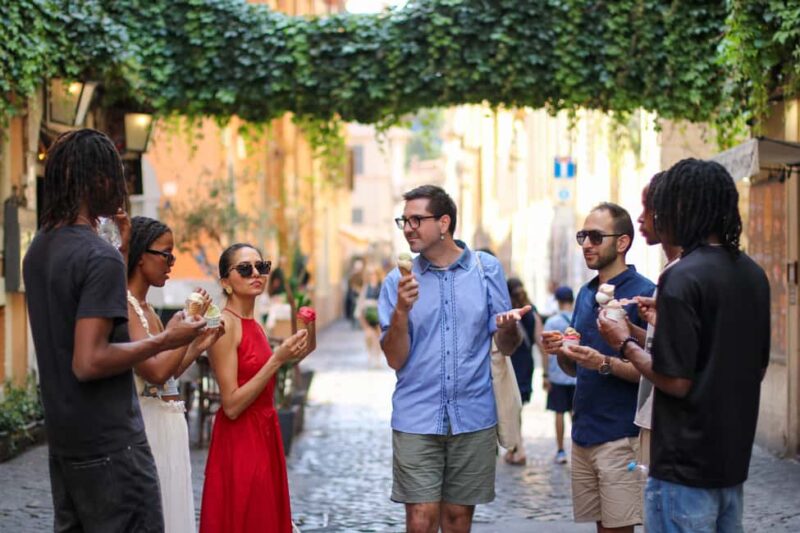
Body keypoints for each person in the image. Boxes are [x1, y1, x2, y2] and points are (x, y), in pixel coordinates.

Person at [23, 128, 206, 531]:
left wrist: (121, 254)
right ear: (98, 179)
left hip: (67, 445)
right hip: (113, 445)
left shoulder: (39, 249)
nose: (122, 186)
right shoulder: (96, 255)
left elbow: (88, 306)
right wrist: (167, 338)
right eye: (116, 173)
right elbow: (89, 360)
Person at [597, 159, 770, 532]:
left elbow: (675, 380)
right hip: (730, 463)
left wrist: (623, 341)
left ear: (682, 207)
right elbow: (750, 364)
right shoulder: (753, 274)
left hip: (683, 465)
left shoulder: (683, 275)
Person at [379, 185, 530, 533]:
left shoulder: (486, 269)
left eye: (417, 220)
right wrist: (401, 310)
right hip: (417, 415)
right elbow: (395, 359)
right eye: (404, 220)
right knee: (420, 519)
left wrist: (509, 327)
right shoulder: (397, 281)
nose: (408, 228)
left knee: (458, 519)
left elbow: (507, 345)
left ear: (444, 223)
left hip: (474, 416)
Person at [542, 202, 655, 533]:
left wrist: (602, 362)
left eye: (595, 236)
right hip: (584, 432)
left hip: (621, 433)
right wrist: (562, 351)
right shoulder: (585, 293)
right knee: (602, 528)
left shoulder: (643, 294)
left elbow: (651, 373)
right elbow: (575, 368)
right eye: (583, 236)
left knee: (620, 528)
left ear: (622, 242)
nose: (586, 244)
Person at [200, 243, 311, 533]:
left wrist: (300, 347)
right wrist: (277, 359)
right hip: (240, 439)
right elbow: (231, 405)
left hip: (265, 432)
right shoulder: (225, 324)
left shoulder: (253, 322)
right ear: (225, 282)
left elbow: (265, 375)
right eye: (244, 268)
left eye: (261, 267)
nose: (255, 274)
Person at [127, 216, 225, 532]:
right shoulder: (126, 307)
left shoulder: (149, 310)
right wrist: (182, 334)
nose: (171, 263)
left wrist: (198, 344)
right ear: (140, 255)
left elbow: (168, 375)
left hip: (169, 425)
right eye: (166, 255)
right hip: (148, 427)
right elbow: (154, 373)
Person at [504, 277, 541, 465]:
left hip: (510, 362)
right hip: (526, 363)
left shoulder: (507, 312)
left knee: (511, 408)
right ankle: (515, 447)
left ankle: (518, 448)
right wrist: (547, 373)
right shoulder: (532, 311)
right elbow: (540, 341)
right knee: (517, 408)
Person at [541, 285, 577, 465]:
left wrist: (545, 375)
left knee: (559, 413)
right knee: (575, 413)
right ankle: (578, 449)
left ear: (557, 301)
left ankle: (561, 450)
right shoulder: (578, 319)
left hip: (557, 375)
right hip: (577, 375)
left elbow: (546, 351)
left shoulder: (552, 322)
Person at [357, 265, 384, 368]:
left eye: (374, 273)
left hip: (379, 316)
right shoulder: (366, 287)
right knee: (368, 336)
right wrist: (360, 316)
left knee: (378, 339)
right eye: (371, 274)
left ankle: (377, 359)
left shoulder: (382, 286)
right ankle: (369, 354)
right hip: (368, 316)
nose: (372, 276)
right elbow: (360, 303)